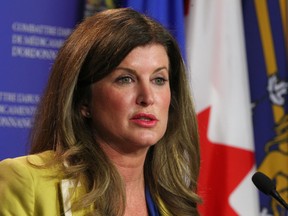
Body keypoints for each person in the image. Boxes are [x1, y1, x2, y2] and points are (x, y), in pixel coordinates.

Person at [0, 8, 201, 216]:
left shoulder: (177, 205)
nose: (147, 97)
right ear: (84, 100)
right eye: (126, 79)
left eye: (158, 80)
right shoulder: (27, 182)